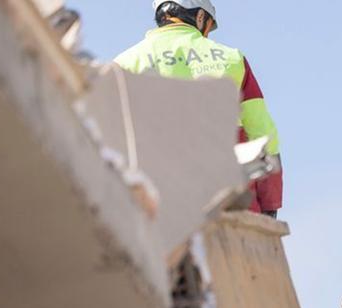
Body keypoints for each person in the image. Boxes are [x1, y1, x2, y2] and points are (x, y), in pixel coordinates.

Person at [115, 1, 283, 216]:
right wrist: (269, 205)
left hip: (156, 210)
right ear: (201, 17)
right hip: (232, 205)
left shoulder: (124, 63)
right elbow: (264, 135)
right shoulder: (233, 59)